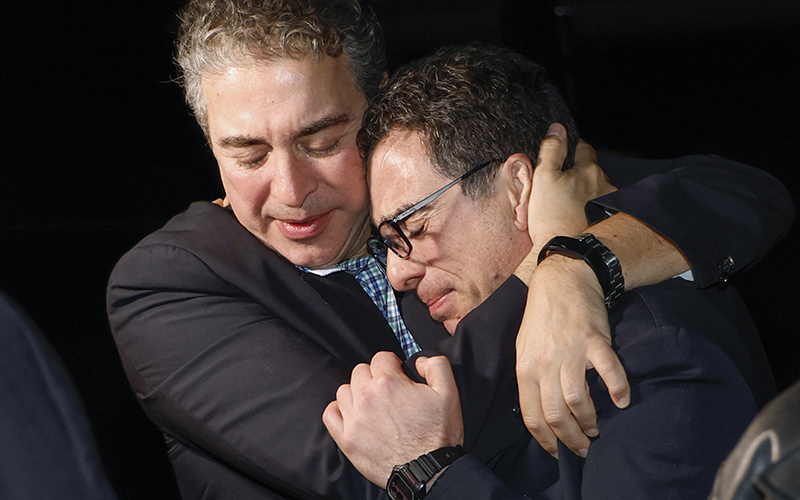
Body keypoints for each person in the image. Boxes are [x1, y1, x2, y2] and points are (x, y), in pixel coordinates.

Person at [106, 1, 793, 498]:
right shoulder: (168, 282)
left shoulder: (444, 174)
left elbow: (732, 193)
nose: (291, 188)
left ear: (376, 110)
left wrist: (580, 265)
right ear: (209, 147)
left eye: (322, 141)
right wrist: (551, 258)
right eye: (248, 154)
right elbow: (364, 456)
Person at [323, 42, 780, 499]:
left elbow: (742, 189)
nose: (397, 273)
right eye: (385, 242)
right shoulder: (452, 305)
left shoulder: (651, 354)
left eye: (414, 227)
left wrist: (429, 474)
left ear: (519, 188)